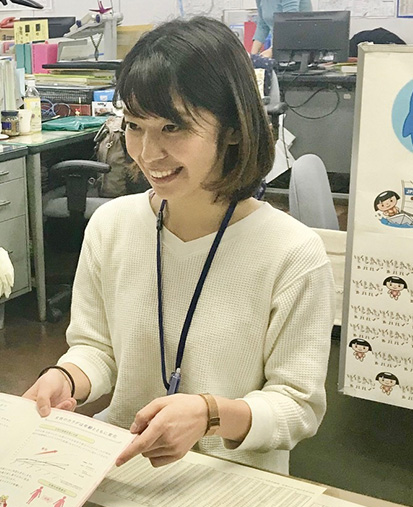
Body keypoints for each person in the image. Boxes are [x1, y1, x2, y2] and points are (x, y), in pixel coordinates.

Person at [24, 16, 334, 475]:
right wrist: (65, 377)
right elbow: (97, 348)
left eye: (173, 128)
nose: (148, 153)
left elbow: (298, 407)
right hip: (124, 463)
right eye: (133, 125)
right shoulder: (111, 226)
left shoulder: (293, 253)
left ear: (231, 128)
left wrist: (210, 414)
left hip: (232, 482)